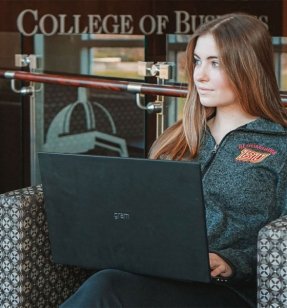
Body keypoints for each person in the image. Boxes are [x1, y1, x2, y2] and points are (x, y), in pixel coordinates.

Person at [60, 13, 287, 307]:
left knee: (107, 288)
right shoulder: (176, 139)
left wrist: (233, 262)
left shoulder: (279, 146)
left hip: (228, 291)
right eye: (197, 61)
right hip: (157, 275)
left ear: (248, 67)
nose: (199, 75)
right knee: (106, 282)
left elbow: (282, 242)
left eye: (215, 63)